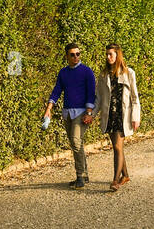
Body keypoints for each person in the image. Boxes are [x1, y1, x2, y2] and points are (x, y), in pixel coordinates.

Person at [43, 42, 97, 189]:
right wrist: (49, 108)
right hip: (67, 113)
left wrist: (89, 113)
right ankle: (84, 174)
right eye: (72, 55)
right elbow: (56, 91)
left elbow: (91, 93)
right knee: (76, 143)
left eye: (78, 54)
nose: (75, 57)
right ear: (67, 56)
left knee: (75, 141)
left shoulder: (87, 71)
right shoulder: (63, 73)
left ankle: (80, 176)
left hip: (81, 113)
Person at [95, 43, 141, 192]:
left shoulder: (129, 73)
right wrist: (91, 114)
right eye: (107, 54)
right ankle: (125, 175)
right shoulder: (103, 75)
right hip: (109, 116)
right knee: (118, 147)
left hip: (123, 116)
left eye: (111, 54)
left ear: (117, 55)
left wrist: (136, 117)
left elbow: (135, 97)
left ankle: (115, 180)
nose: (108, 57)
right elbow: (99, 98)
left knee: (117, 147)